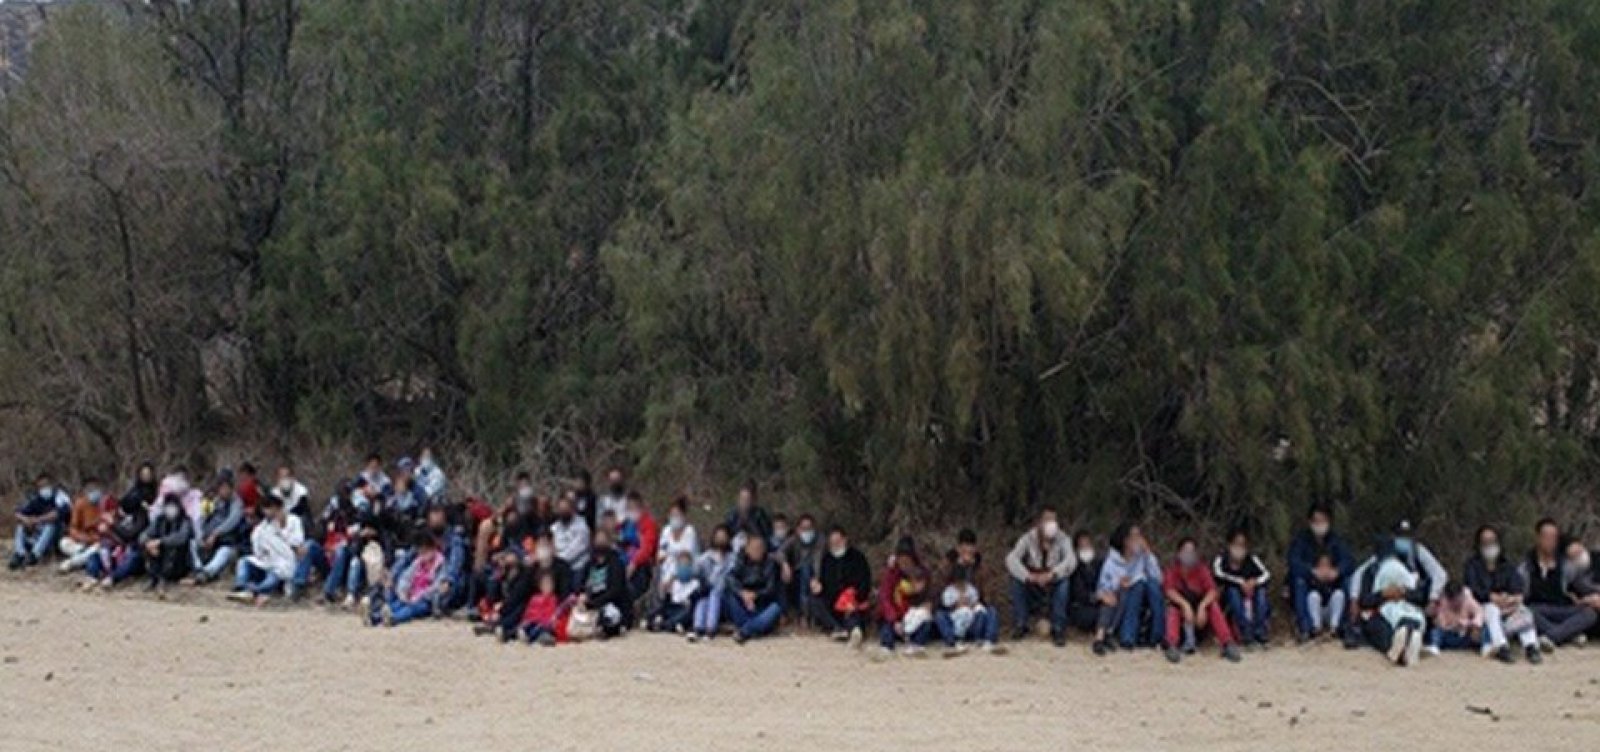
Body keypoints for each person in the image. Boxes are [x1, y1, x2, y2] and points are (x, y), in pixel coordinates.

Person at [1462, 525, 1542, 664]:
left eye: (1492, 541)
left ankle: (1531, 646)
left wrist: (1512, 598)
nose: (1489, 546)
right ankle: (1502, 647)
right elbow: (1472, 589)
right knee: (1491, 610)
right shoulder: (1472, 566)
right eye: (1485, 542)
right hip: (1483, 610)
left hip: (1507, 607)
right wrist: (1491, 597)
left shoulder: (1507, 565)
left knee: (1524, 611)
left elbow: (1517, 586)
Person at [1162, 537, 1241, 663]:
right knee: (1173, 610)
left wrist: (1202, 606)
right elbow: (1169, 591)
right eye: (1185, 551)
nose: (1189, 555)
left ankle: (1227, 643)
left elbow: (1212, 590)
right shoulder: (1172, 570)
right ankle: (1172, 645)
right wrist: (1185, 605)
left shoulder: (1201, 570)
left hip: (1199, 615)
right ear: (1178, 553)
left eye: (1192, 551)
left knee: (1213, 607)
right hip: (1182, 612)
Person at [1003, 507, 1076, 646]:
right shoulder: (1027, 538)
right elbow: (1011, 559)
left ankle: (1058, 627)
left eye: (1054, 520)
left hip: (1052, 582)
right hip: (1033, 582)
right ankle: (1021, 624)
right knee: (1016, 581)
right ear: (1039, 522)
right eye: (1048, 519)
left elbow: (1071, 560)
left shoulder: (1063, 539)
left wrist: (1053, 574)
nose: (1052, 523)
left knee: (1064, 583)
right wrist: (1027, 576)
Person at [1523, 518, 1598, 647]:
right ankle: (1570, 635)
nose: (1550, 541)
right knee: (1527, 612)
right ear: (1538, 538)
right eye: (1546, 537)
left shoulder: (1567, 566)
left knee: (1590, 614)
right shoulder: (1526, 568)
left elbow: (1583, 585)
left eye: (1553, 537)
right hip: (1540, 609)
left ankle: (1552, 636)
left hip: (1565, 608)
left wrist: (1588, 598)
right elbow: (1523, 595)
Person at [1286, 503, 1353, 641]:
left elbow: (1348, 561)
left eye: (1323, 521)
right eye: (1316, 521)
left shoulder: (1336, 540)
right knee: (1298, 581)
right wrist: (1312, 571)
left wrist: (1337, 571)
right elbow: (1293, 562)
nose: (1320, 524)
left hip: (1332, 585)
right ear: (1310, 522)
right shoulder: (1301, 540)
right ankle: (1305, 627)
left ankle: (1344, 627)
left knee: (1347, 581)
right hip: (1310, 585)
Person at [1095, 522, 1164, 654]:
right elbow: (1103, 586)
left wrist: (1148, 554)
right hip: (1123, 596)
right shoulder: (1112, 561)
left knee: (1152, 587)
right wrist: (1119, 583)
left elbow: (1158, 577)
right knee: (1135, 588)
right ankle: (1127, 637)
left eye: (1139, 536)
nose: (1138, 540)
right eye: (1134, 536)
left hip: (1144, 591)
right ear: (1125, 540)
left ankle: (1157, 636)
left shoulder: (1142, 556)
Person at [1361, 538, 1426, 667]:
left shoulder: (1406, 570)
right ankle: (1407, 645)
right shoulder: (1371, 571)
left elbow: (1421, 597)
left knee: (1383, 627)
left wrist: (1403, 593)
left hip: (1402, 609)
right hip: (1384, 609)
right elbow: (1365, 600)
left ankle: (1400, 645)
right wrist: (1383, 594)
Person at [230, 496, 304, 605]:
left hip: (285, 564)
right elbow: (258, 552)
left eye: (271, 508)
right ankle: (241, 588)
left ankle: (255, 592)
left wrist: (282, 528)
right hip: (267, 562)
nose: (268, 511)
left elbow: (297, 542)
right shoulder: (261, 528)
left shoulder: (293, 521)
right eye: (266, 508)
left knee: (274, 575)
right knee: (244, 562)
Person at [807, 525, 872, 647]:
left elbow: (865, 583)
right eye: (832, 543)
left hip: (852, 600)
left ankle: (854, 631)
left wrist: (855, 598)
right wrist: (818, 586)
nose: (835, 545)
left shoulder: (858, 558)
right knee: (814, 600)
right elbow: (823, 582)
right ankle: (836, 628)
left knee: (853, 613)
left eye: (838, 541)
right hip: (832, 601)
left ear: (845, 539)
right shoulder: (827, 559)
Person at [370, 530, 446, 627]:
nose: (423, 554)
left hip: (426, 600)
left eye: (426, 551)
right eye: (421, 551)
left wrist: (419, 596)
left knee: (410, 609)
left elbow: (437, 586)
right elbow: (406, 577)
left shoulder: (440, 563)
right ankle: (375, 617)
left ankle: (393, 619)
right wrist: (403, 592)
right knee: (397, 604)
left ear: (433, 549)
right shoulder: (418, 562)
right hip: (410, 596)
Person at [874, 536, 933, 658]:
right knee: (886, 627)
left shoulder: (922, 573)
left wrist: (927, 605)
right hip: (894, 615)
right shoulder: (891, 573)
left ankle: (917, 645)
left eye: (907, 561)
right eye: (901, 561)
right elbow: (885, 598)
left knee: (926, 623)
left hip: (912, 615)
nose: (904, 565)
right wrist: (894, 619)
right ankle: (886, 647)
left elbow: (930, 595)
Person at [1213, 528, 1272, 648]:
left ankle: (1260, 632)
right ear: (1229, 544)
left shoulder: (1252, 559)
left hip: (1251, 596)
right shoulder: (1221, 559)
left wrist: (1254, 582)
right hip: (1230, 599)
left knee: (1261, 593)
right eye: (1236, 544)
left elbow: (1266, 575)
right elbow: (1218, 574)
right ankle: (1245, 633)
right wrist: (1240, 582)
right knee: (1232, 592)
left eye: (1242, 545)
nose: (1239, 548)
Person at [724, 533, 784, 644]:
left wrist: (755, 595)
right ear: (747, 549)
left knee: (775, 608)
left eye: (760, 548)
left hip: (761, 604)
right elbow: (730, 578)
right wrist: (742, 594)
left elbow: (771, 588)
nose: (758, 551)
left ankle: (744, 631)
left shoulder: (769, 563)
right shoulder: (740, 560)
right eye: (754, 548)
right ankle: (753, 628)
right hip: (743, 603)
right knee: (729, 595)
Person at [84, 489, 149, 589]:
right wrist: (106, 531)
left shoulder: (141, 518)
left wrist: (113, 524)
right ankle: (92, 577)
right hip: (114, 549)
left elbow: (129, 535)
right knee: (93, 556)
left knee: (133, 559)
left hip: (131, 551)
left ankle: (113, 578)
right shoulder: (119, 515)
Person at [187, 476, 245, 585]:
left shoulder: (237, 503)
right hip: (208, 537)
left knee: (224, 553)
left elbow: (232, 521)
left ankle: (207, 572)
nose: (223, 491)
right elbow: (202, 518)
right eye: (221, 488)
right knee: (192, 543)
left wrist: (215, 534)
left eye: (226, 488)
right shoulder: (215, 501)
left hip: (227, 541)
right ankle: (198, 569)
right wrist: (200, 535)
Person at [575, 527, 631, 638]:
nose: (600, 542)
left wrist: (593, 603)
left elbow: (615, 591)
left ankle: (608, 628)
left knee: (610, 615)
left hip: (611, 604)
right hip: (590, 604)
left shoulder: (616, 563)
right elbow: (581, 584)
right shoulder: (589, 564)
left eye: (603, 539)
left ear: (609, 542)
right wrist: (582, 595)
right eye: (598, 539)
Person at [936, 565, 1001, 655]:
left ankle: (988, 639)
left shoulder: (971, 589)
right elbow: (946, 606)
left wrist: (970, 604)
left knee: (989, 612)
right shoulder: (949, 591)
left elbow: (976, 602)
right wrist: (956, 604)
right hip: (955, 618)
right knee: (939, 615)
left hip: (971, 619)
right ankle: (953, 640)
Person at [10, 473, 69, 570]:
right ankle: (20, 554)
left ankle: (35, 555)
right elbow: (18, 513)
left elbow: (56, 514)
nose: (44, 489)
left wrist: (36, 520)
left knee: (50, 525)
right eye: (41, 486)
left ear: (52, 484)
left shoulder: (60, 496)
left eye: (46, 485)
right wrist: (25, 520)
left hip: (59, 533)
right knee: (21, 525)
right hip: (40, 531)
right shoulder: (37, 499)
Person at [690, 525, 737, 642]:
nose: (721, 539)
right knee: (704, 598)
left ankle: (711, 629)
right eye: (718, 536)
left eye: (724, 536)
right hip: (710, 596)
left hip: (726, 597)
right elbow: (695, 573)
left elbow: (731, 579)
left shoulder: (733, 558)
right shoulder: (705, 557)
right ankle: (698, 629)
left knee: (716, 592)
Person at [138, 494, 193, 592]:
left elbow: (181, 538)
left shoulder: (185, 520)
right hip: (160, 555)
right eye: (167, 506)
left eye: (173, 506)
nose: (170, 509)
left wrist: (160, 542)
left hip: (179, 560)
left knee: (171, 547)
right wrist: (148, 543)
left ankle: (163, 579)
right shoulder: (160, 520)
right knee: (149, 548)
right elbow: (144, 535)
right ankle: (154, 578)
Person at [56, 478, 107, 574]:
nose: (93, 492)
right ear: (85, 492)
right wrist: (83, 538)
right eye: (90, 490)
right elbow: (73, 528)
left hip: (98, 541)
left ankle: (71, 563)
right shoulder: (80, 504)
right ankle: (84, 558)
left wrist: (94, 539)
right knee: (63, 543)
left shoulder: (106, 503)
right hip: (82, 542)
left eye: (96, 489)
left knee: (99, 548)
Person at [1425, 581, 1485, 656]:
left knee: (1482, 630)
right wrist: (1452, 626)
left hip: (1465, 635)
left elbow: (1479, 612)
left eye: (1457, 598)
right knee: (1435, 632)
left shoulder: (1468, 599)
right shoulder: (1443, 602)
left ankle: (1484, 647)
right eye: (1452, 600)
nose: (1455, 602)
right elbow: (1441, 623)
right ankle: (1434, 646)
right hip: (1448, 634)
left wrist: (1471, 624)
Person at [779, 513, 821, 617]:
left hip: (814, 573)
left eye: (809, 528)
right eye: (804, 528)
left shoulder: (820, 540)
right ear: (798, 529)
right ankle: (786, 613)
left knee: (806, 570)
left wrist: (816, 577)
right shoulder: (794, 539)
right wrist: (784, 564)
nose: (806, 531)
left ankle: (805, 614)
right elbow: (779, 552)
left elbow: (817, 560)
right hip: (796, 573)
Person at [619, 492, 659, 602]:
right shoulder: (626, 524)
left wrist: (634, 563)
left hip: (641, 567)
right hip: (623, 561)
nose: (631, 511)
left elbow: (647, 549)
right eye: (629, 508)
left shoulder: (648, 524)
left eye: (634, 507)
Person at [648, 551, 701, 633]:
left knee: (687, 613)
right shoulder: (674, 581)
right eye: (681, 564)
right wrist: (668, 585)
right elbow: (664, 597)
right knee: (660, 609)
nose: (684, 567)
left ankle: (665, 625)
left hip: (684, 608)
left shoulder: (695, 583)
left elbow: (692, 602)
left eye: (686, 564)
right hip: (672, 607)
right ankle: (665, 623)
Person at [656, 496, 700, 586]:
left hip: (687, 571)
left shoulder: (690, 532)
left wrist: (671, 579)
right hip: (668, 570)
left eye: (677, 515)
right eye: (672, 515)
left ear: (684, 516)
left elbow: (685, 558)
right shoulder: (666, 531)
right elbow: (661, 554)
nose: (674, 518)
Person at [1066, 530, 1103, 636]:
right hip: (1080, 606)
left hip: (1098, 603)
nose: (1086, 547)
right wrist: (1098, 597)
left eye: (1088, 544)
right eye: (1082, 545)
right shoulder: (1074, 567)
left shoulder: (1099, 563)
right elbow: (1079, 594)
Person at [519, 570, 570, 646]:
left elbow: (555, 612)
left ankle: (537, 639)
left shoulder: (554, 599)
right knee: (529, 626)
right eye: (545, 584)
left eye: (550, 584)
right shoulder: (535, 598)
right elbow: (529, 613)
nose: (547, 586)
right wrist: (526, 621)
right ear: (540, 586)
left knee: (544, 630)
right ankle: (530, 636)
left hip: (546, 625)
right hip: (534, 622)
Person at [1304, 552, 1346, 639]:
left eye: (1327, 565)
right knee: (1313, 595)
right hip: (1317, 611)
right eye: (1322, 565)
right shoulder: (1311, 578)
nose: (1324, 568)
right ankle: (1316, 627)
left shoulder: (1336, 578)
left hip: (1329, 612)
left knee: (1339, 594)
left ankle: (1334, 627)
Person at [723, 480, 773, 549]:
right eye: (742, 499)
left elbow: (766, 535)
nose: (744, 502)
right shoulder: (731, 515)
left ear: (753, 500)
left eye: (747, 499)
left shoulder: (760, 514)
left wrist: (750, 522)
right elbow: (726, 534)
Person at [551, 493, 592, 576]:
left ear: (572, 508)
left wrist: (556, 558)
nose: (563, 511)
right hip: (560, 566)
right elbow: (552, 545)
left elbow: (574, 551)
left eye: (565, 508)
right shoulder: (555, 527)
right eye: (561, 508)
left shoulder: (581, 526)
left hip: (577, 568)